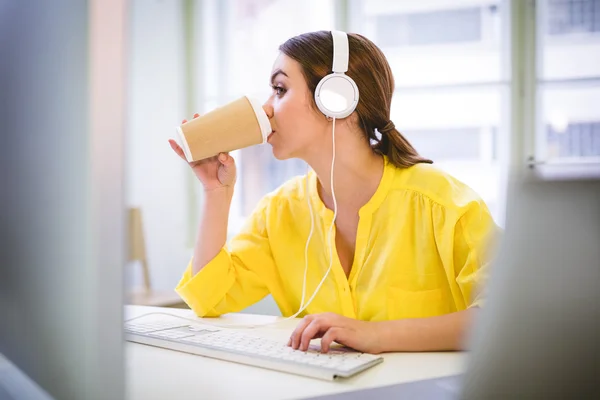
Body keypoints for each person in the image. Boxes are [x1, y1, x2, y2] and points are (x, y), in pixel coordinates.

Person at [168, 31, 499, 354]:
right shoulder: (280, 211)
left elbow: (503, 318)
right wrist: (216, 191)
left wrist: (375, 334)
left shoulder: (444, 203)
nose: (266, 109)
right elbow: (207, 298)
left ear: (336, 97)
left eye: (280, 89)